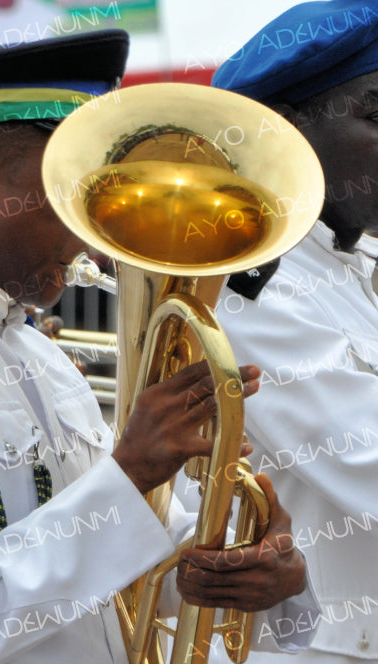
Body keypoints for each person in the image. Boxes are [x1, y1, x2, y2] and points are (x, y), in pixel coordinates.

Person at [0, 31, 318, 663]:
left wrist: (250, 563)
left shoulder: (40, 353)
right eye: (71, 196)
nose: (95, 234)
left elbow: (106, 569)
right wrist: (129, 476)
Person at [198, 2, 378, 661]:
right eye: (376, 115)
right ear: (287, 133)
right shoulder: (251, 287)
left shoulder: (355, 261)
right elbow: (367, 463)